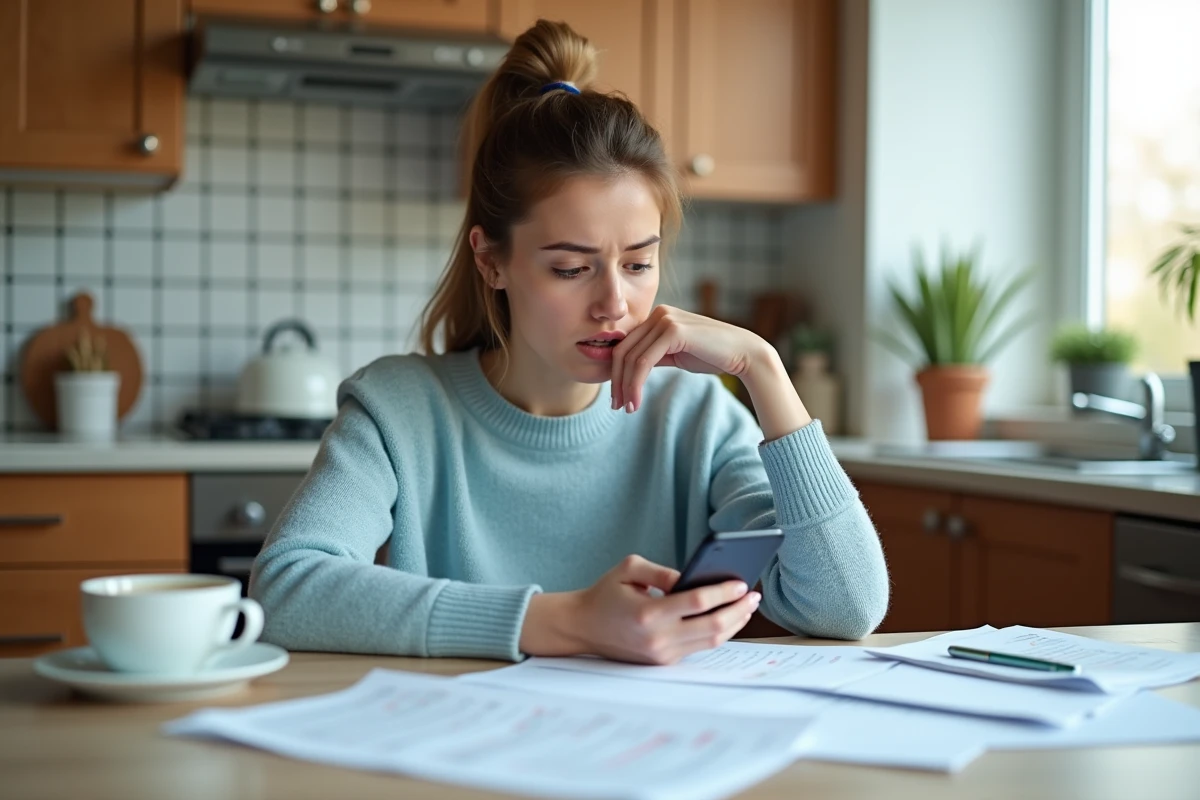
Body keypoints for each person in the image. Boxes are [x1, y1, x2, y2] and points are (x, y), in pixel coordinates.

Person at [250, 20, 888, 665]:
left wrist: (764, 368)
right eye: (570, 268)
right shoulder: (400, 409)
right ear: (491, 261)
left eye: (638, 264)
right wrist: (567, 621)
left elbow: (845, 607)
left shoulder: (696, 420)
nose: (614, 303)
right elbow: (285, 591)